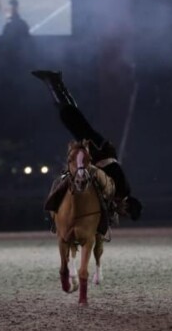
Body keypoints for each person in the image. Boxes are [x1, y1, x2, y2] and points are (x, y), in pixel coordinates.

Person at [31, 70, 143, 223]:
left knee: (72, 116)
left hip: (97, 152)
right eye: (124, 211)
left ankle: (55, 83)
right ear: (126, 205)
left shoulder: (116, 196)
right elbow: (112, 167)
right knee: (69, 117)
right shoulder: (123, 190)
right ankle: (53, 82)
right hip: (98, 150)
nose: (121, 212)